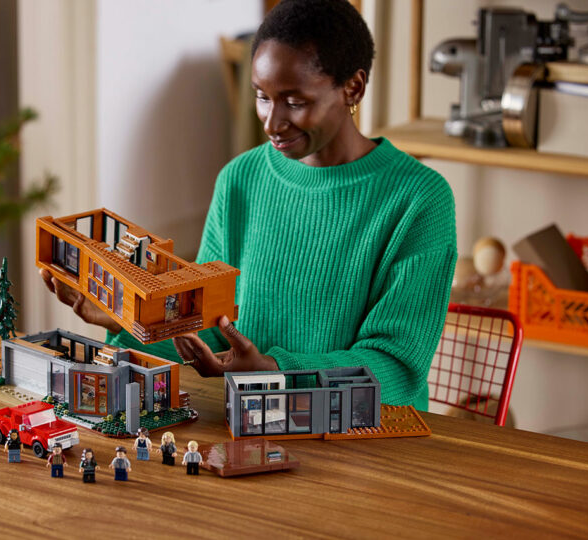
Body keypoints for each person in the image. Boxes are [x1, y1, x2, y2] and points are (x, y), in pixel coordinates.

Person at [40, 0, 456, 411]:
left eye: (294, 102)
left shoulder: (420, 199)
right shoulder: (240, 180)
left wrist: (276, 372)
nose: (271, 123)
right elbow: (212, 332)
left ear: (354, 87)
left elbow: (396, 368)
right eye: (262, 96)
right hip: (249, 421)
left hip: (370, 439)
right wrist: (125, 319)